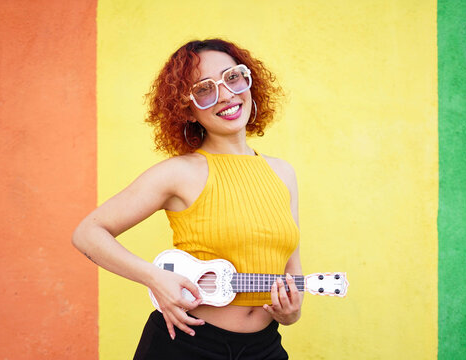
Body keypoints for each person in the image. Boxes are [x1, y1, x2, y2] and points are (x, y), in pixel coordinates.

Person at [72, 38, 302, 359]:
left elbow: (291, 274)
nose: (225, 94)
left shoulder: (283, 173)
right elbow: (87, 233)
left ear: (249, 81)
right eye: (204, 89)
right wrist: (154, 278)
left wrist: (290, 313)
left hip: (264, 348)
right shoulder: (178, 173)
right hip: (186, 343)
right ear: (188, 110)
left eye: (232, 77)